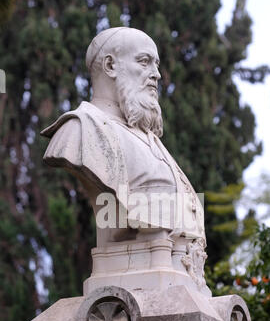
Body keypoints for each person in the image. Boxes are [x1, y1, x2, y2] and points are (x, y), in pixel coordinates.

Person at [41, 27, 205, 247]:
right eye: (144, 61)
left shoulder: (151, 140)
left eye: (156, 64)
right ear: (110, 66)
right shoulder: (80, 130)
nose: (156, 74)